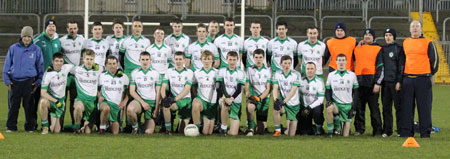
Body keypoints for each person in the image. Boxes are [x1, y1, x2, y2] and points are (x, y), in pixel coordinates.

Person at [399, 20, 439, 138]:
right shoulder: (405, 42)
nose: (415, 28)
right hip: (408, 79)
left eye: (417, 26)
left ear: (421, 29)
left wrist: (428, 73)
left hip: (423, 80)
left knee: (424, 107)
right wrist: (402, 76)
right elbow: (402, 61)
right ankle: (406, 132)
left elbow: (435, 60)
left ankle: (425, 132)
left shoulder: (428, 42)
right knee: (407, 107)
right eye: (413, 26)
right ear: (410, 29)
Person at [3, 26, 43, 132]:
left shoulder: (36, 49)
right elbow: (7, 65)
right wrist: (7, 80)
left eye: (29, 36)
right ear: (21, 37)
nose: (26, 39)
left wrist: (39, 81)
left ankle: (30, 127)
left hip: (29, 81)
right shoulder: (13, 48)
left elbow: (40, 67)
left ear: (31, 38)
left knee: (29, 106)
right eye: (24, 36)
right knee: (13, 106)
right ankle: (11, 126)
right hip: (14, 82)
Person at [353, 29, 384, 136]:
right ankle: (359, 129)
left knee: (374, 108)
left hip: (372, 83)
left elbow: (381, 67)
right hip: (359, 82)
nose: (367, 36)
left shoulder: (378, 49)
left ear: (373, 37)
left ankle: (377, 130)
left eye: (370, 35)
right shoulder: (357, 47)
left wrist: (378, 83)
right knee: (359, 108)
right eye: (365, 35)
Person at [33, 20, 61, 130]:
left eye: (53, 26)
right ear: (45, 28)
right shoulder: (38, 40)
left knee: (51, 101)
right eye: (49, 26)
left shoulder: (57, 41)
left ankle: (50, 125)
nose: (52, 29)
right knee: (35, 102)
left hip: (53, 78)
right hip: (40, 77)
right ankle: (33, 125)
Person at [127, 52, 161, 134]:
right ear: (139, 60)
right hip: (139, 101)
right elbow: (132, 91)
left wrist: (156, 109)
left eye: (147, 59)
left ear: (150, 60)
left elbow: (158, 92)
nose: (145, 61)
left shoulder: (156, 73)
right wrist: (143, 102)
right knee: (130, 110)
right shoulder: (134, 73)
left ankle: (141, 124)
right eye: (143, 59)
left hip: (151, 103)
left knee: (148, 132)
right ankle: (135, 128)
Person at [39, 53, 74, 134]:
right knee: (43, 102)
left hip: (61, 101)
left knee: (56, 131)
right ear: (52, 61)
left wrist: (93, 65)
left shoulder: (66, 67)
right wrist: (55, 101)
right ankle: (45, 126)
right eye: (57, 61)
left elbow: (78, 68)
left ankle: (56, 119)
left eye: (61, 61)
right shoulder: (47, 74)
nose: (59, 63)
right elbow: (43, 93)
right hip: (52, 100)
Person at [325, 54, 358, 137]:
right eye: (339, 60)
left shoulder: (352, 75)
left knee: (345, 135)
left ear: (346, 62)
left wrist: (353, 108)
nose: (341, 62)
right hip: (336, 104)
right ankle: (330, 132)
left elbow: (356, 92)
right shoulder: (331, 75)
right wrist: (329, 100)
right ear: (336, 62)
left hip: (347, 106)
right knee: (329, 108)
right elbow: (328, 90)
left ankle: (340, 124)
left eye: (343, 60)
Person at [161, 51, 194, 134]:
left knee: (181, 131)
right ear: (174, 60)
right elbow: (163, 87)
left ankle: (184, 120)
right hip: (174, 99)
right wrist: (165, 98)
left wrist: (174, 99)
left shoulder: (189, 72)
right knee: (166, 106)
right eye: (176, 59)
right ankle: (168, 129)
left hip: (185, 100)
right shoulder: (169, 71)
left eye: (180, 59)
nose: (178, 61)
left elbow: (186, 90)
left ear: (184, 60)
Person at [72, 49, 103, 134]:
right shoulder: (77, 69)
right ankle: (77, 127)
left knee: (88, 132)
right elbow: (64, 68)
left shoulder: (98, 70)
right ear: (83, 59)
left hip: (92, 102)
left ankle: (85, 126)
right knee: (77, 107)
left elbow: (105, 68)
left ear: (94, 60)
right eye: (87, 59)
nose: (89, 61)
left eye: (91, 59)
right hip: (81, 99)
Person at [60, 20, 85, 125]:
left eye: (74, 28)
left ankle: (75, 122)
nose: (73, 30)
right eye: (70, 29)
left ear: (77, 29)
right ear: (67, 29)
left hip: (76, 76)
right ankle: (59, 124)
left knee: (74, 100)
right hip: (65, 75)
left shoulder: (82, 39)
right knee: (62, 100)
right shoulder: (61, 41)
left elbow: (85, 55)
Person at [216, 51, 246, 136]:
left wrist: (231, 98)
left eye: (234, 60)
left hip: (235, 101)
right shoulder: (221, 71)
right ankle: (223, 128)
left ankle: (229, 128)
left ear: (237, 60)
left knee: (233, 133)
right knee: (225, 105)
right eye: (230, 59)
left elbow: (239, 89)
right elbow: (218, 87)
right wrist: (226, 98)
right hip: (224, 98)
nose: (232, 62)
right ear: (226, 60)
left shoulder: (241, 73)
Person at [380, 28, 403, 137]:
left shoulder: (399, 49)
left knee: (398, 107)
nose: (387, 37)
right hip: (385, 84)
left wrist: (399, 81)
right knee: (386, 107)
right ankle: (387, 131)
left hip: (395, 83)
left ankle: (400, 130)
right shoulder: (382, 49)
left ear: (394, 37)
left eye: (390, 35)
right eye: (386, 35)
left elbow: (401, 67)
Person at [98, 56, 129, 135]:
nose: (112, 66)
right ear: (106, 65)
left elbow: (128, 92)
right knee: (106, 108)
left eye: (114, 64)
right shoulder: (102, 76)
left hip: (116, 105)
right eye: (110, 64)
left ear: (117, 65)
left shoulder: (124, 77)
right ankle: (102, 128)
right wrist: (99, 96)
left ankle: (109, 124)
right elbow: (96, 88)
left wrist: (124, 101)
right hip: (105, 102)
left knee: (115, 132)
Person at [244, 49, 272, 136]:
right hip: (253, 97)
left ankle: (256, 126)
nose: (258, 59)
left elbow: (268, 89)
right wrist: (247, 92)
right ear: (253, 58)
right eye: (256, 57)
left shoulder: (268, 70)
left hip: (264, 99)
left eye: (260, 57)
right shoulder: (249, 69)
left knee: (261, 130)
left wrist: (259, 98)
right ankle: (251, 128)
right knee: (250, 107)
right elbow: (247, 85)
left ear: (263, 58)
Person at [272, 55, 301, 137]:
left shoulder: (296, 74)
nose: (287, 65)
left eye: (289, 63)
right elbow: (275, 88)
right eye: (285, 63)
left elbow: (293, 91)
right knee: (276, 108)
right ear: (281, 64)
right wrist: (275, 100)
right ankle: (277, 130)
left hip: (293, 105)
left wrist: (284, 101)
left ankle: (285, 130)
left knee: (291, 134)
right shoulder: (277, 74)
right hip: (283, 104)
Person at [191, 50, 218, 135]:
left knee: (207, 132)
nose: (206, 61)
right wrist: (196, 98)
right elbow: (194, 87)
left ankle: (210, 122)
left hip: (212, 103)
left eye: (209, 59)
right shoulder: (196, 73)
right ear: (201, 60)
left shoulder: (217, 73)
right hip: (201, 100)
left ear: (212, 60)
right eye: (205, 59)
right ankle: (196, 129)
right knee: (195, 105)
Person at [298, 62, 325, 135]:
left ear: (315, 70)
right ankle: (310, 127)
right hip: (304, 107)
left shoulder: (319, 82)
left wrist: (309, 107)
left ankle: (319, 129)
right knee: (305, 133)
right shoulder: (300, 81)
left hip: (314, 107)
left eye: (312, 69)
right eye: (308, 69)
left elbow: (320, 99)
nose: (310, 70)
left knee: (318, 113)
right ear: (305, 70)